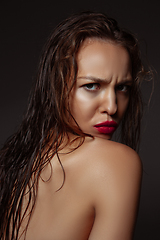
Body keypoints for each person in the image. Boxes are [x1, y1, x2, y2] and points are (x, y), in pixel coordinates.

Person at [0, 11, 149, 240]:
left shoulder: (12, 160)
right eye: (92, 86)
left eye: (122, 88)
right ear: (56, 86)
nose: (111, 106)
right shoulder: (116, 162)